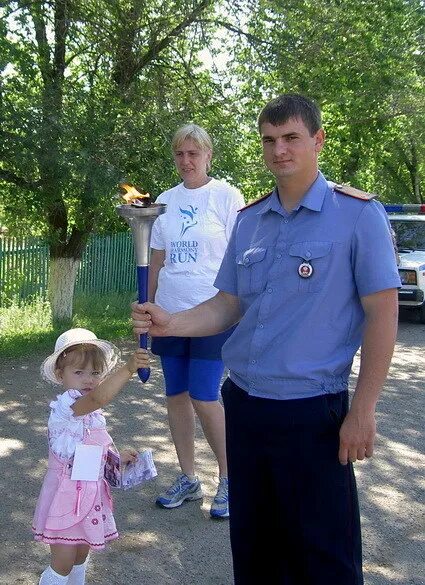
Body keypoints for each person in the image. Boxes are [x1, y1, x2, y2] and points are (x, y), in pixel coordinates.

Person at [132, 94, 401, 584]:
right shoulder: (250, 220)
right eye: (269, 140)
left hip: (313, 414)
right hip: (247, 407)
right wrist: (171, 322)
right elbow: (228, 305)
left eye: (292, 137)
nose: (280, 150)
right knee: (256, 549)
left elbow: (383, 313)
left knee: (324, 557)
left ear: (317, 140)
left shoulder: (357, 215)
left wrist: (363, 411)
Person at [148, 123, 244, 519]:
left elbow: (241, 253)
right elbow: (155, 259)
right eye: (180, 154)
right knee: (175, 397)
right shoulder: (164, 202)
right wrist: (145, 305)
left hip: (212, 315)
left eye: (194, 153)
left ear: (208, 155)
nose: (186, 161)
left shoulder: (226, 195)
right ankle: (189, 478)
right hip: (169, 315)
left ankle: (229, 479)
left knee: (205, 394)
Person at [32, 328, 149, 585]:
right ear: (60, 374)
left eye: (95, 373)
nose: (88, 379)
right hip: (66, 496)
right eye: (79, 372)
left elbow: (95, 449)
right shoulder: (68, 407)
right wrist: (129, 368)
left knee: (80, 557)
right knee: (61, 564)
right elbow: (99, 397)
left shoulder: (93, 415)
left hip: (90, 493)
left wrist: (118, 458)